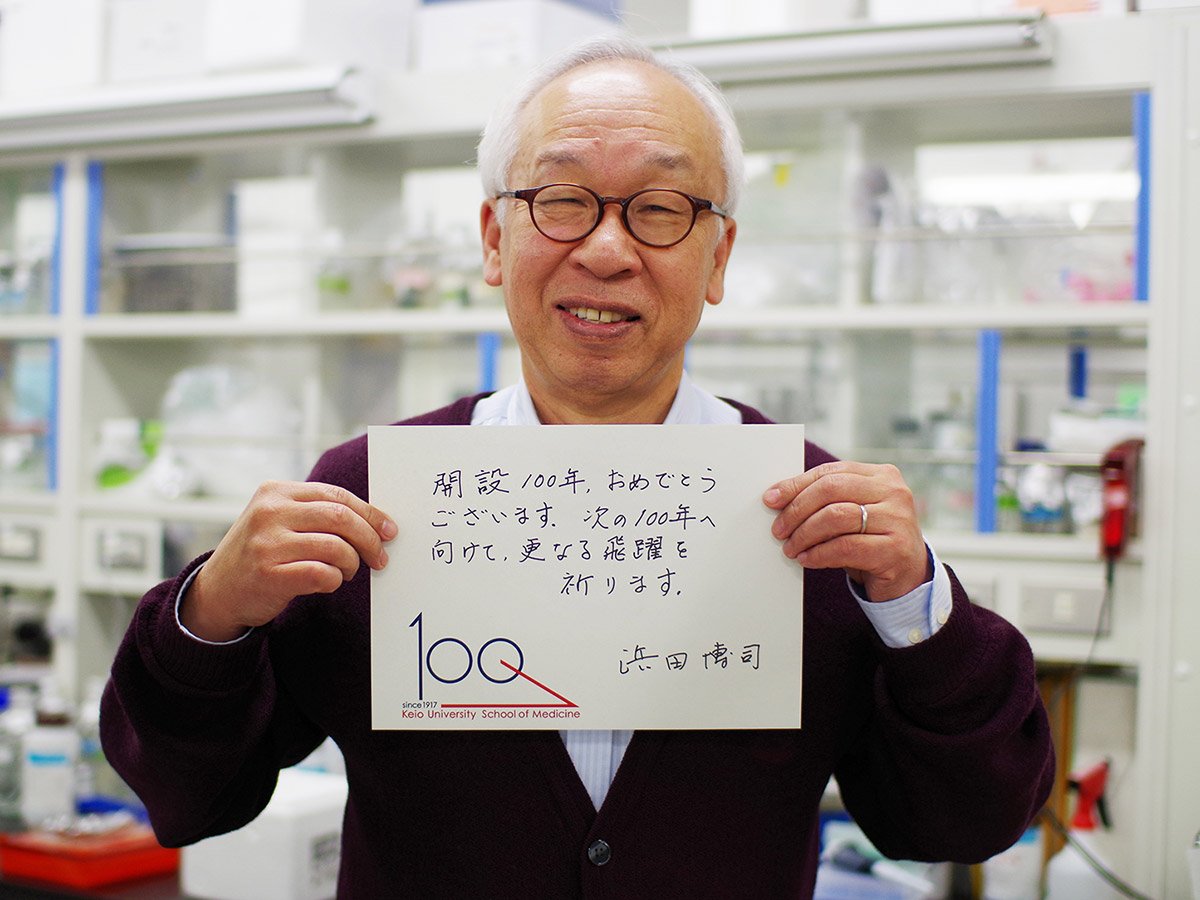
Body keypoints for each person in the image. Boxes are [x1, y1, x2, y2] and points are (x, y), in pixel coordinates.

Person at [101, 34, 1054, 899]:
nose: (605, 250)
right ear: (493, 239)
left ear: (719, 256)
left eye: (661, 209)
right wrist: (211, 614)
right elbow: (190, 793)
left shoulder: (819, 524)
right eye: (560, 201)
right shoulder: (370, 494)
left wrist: (919, 609)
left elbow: (961, 824)